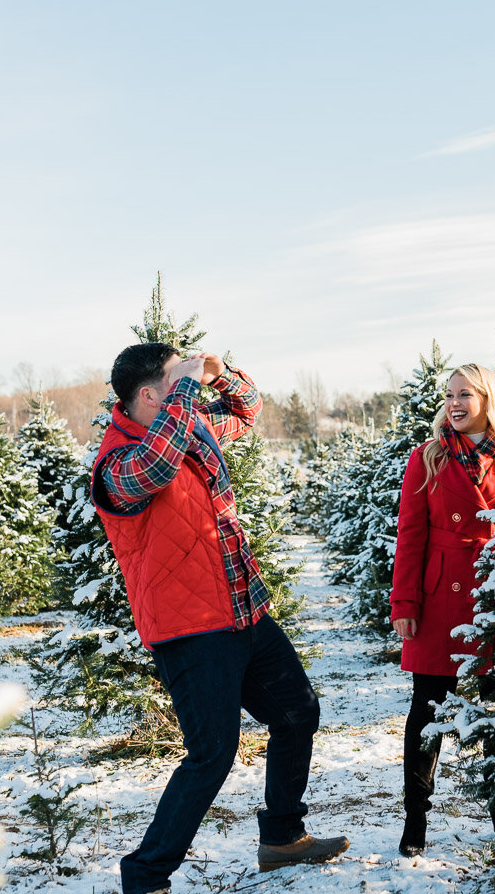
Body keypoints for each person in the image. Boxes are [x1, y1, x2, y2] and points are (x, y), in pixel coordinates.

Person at [91, 342, 348, 894]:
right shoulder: (115, 465)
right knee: (212, 754)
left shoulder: (190, 428)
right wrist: (187, 386)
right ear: (148, 394)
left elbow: (247, 411)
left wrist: (220, 374)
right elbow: (156, 467)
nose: (189, 382)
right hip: (190, 630)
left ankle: (282, 838)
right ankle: (145, 874)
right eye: (174, 377)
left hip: (243, 610)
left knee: (297, 713)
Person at [389, 363, 495, 857]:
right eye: (449, 395)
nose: (455, 403)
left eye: (466, 393)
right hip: (442, 592)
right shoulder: (427, 457)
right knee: (427, 711)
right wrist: (404, 601)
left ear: (488, 399)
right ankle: (415, 819)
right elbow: (410, 534)